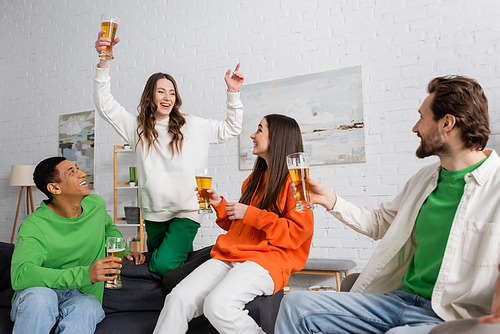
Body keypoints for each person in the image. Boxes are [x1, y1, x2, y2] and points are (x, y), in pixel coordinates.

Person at [275, 75, 500, 334]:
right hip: (398, 302)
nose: (416, 128)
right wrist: (330, 201)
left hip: (450, 318)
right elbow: (381, 223)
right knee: (295, 305)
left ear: (447, 123)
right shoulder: (425, 178)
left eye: (422, 118)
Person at [94, 32, 245, 276]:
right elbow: (105, 105)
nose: (168, 97)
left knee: (162, 264)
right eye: (161, 91)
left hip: (187, 209)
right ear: (149, 96)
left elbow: (232, 128)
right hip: (154, 213)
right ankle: (180, 303)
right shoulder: (137, 129)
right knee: (168, 268)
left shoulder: (193, 125)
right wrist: (104, 60)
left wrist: (233, 93)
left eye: (172, 92)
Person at [152, 114, 314, 334]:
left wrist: (251, 214)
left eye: (259, 129)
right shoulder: (253, 181)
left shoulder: (294, 183)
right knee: (177, 299)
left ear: (277, 137)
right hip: (231, 254)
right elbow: (241, 229)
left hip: (269, 259)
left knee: (218, 305)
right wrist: (220, 204)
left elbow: (297, 233)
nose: (252, 135)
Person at [10, 156, 146, 333]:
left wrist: (124, 249)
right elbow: (21, 274)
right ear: (54, 188)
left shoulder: (96, 206)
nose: (82, 174)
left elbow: (108, 227)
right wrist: (85, 274)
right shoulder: (34, 225)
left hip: (81, 296)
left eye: (77, 169)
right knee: (42, 299)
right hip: (40, 292)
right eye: (72, 172)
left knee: (88, 308)